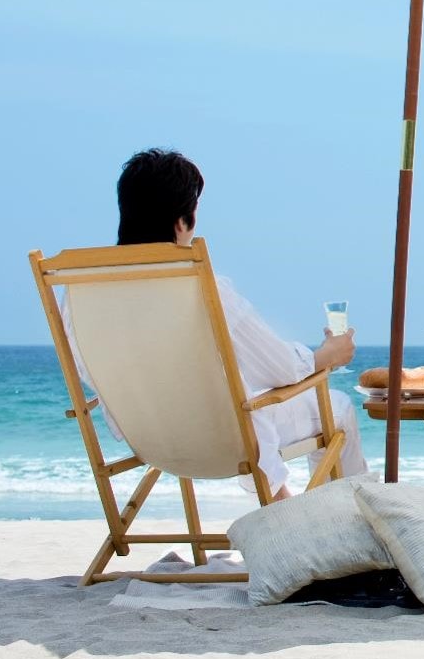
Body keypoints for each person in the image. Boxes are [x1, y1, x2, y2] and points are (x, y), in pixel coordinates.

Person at [71, 148, 367, 499]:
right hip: (223, 442)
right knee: (338, 407)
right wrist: (327, 356)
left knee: (249, 408)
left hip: (150, 442)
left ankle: (289, 512)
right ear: (182, 222)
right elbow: (280, 369)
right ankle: (349, 523)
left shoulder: (78, 288)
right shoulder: (199, 286)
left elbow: (89, 372)